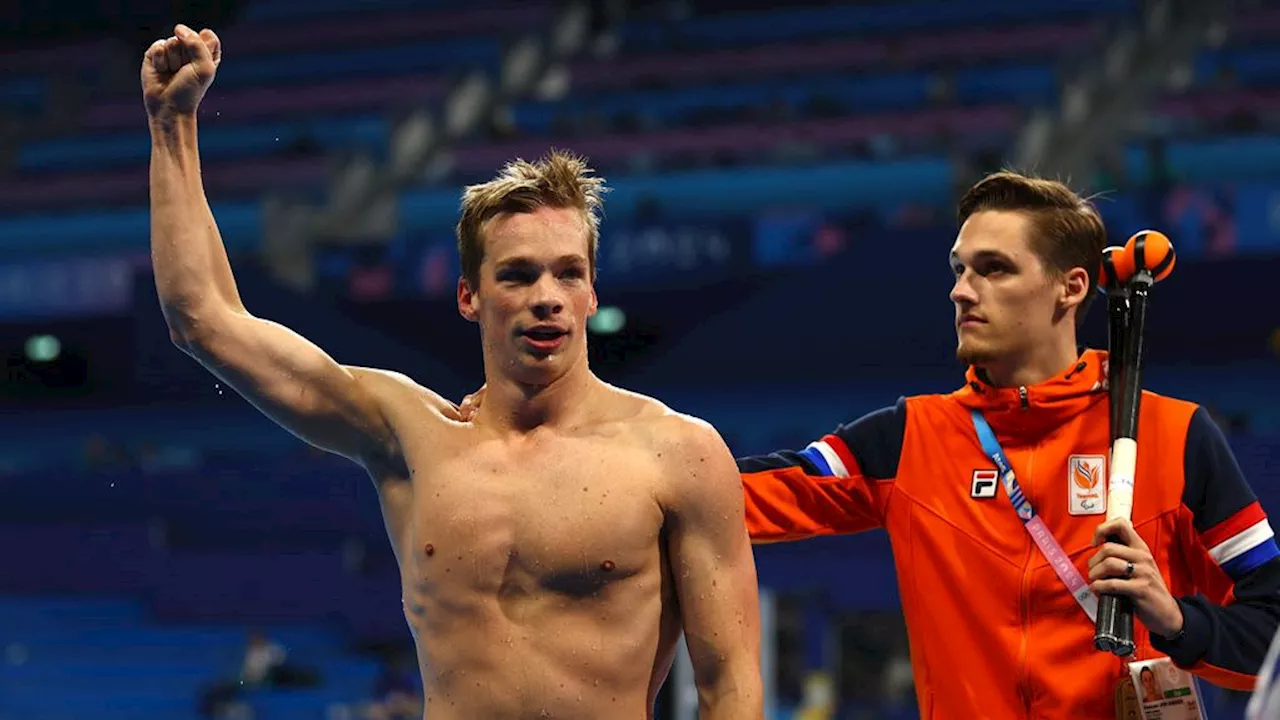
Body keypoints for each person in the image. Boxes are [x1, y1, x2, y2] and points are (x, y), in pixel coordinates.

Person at [144, 24, 763, 720]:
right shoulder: (406, 435)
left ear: (592, 293)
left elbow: (731, 688)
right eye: (519, 275)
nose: (547, 297)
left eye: (568, 274)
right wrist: (173, 125)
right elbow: (201, 319)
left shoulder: (677, 454)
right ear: (470, 296)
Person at [734, 172, 1280, 717]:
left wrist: (1176, 622)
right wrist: (653, 443)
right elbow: (738, 496)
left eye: (994, 269)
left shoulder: (1174, 437)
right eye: (960, 269)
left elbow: (1270, 629)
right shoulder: (909, 440)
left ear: (1071, 287)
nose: (962, 290)